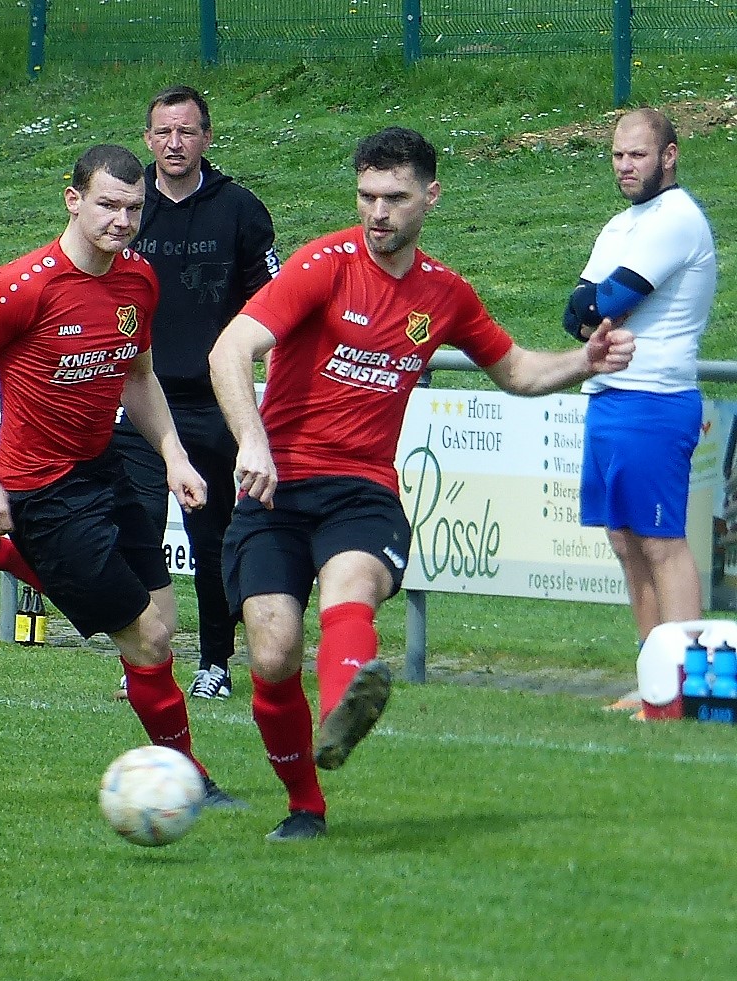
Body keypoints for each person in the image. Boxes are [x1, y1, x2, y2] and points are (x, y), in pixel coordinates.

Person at [208, 127, 634, 843]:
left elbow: (516, 371)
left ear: (430, 196)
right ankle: (306, 803)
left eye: (395, 197)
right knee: (274, 653)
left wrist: (585, 361)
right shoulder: (322, 264)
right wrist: (252, 440)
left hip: (361, 489)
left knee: (350, 588)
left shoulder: (445, 292)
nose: (378, 212)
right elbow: (231, 349)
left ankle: (345, 707)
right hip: (275, 487)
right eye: (367, 196)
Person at [0, 143, 243, 810]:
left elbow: (139, 377)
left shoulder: (139, 279)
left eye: (134, 208)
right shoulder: (20, 286)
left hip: (106, 468)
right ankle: (188, 779)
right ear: (73, 200)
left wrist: (174, 454)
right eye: (108, 205)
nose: (122, 221)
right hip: (41, 490)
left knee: (162, 622)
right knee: (145, 639)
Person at [111, 84, 281, 702]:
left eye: (186, 131)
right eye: (163, 132)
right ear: (147, 138)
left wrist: (262, 399)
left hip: (212, 405)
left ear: (207, 137)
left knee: (210, 541)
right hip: (138, 400)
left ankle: (215, 662)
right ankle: (143, 660)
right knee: (135, 531)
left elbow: (275, 306)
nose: (174, 143)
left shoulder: (240, 209)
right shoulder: (127, 210)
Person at [566, 108, 716, 645]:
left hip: (654, 399)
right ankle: (653, 670)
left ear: (669, 156)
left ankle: (683, 675)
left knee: (660, 542)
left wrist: (598, 308)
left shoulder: (676, 218)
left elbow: (606, 301)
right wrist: (597, 309)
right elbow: (574, 315)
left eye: (638, 155)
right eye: (617, 155)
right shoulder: (619, 225)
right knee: (625, 543)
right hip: (609, 397)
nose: (625, 165)